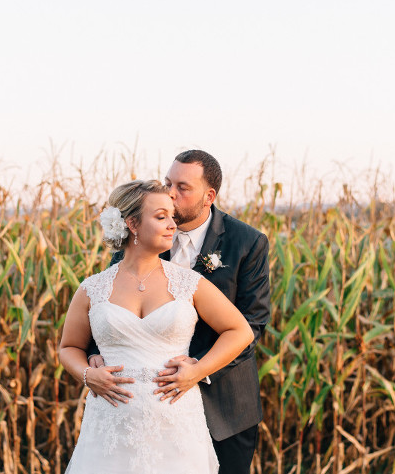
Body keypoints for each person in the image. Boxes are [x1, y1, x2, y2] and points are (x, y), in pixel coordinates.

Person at [88, 150, 271, 474]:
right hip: (143, 407)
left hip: (226, 407)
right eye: (168, 182)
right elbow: (108, 307)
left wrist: (197, 368)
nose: (171, 193)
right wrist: (95, 357)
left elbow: (251, 324)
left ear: (208, 196)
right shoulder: (141, 236)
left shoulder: (247, 242)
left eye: (182, 187)